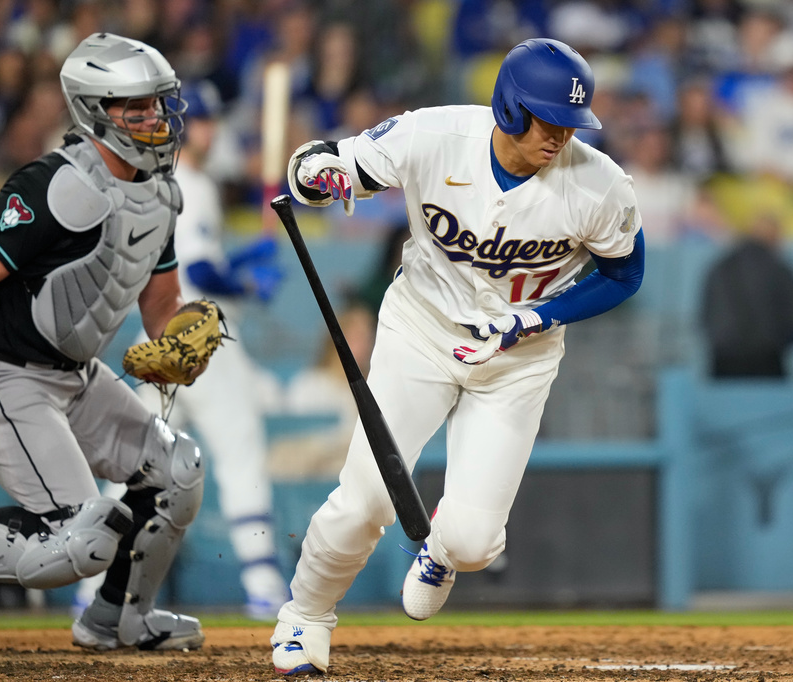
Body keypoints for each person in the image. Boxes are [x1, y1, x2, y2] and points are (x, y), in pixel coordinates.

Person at [270, 38, 645, 675]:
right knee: (365, 501)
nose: (560, 137)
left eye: (570, 124)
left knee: (473, 544)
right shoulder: (434, 135)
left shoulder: (599, 185)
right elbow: (321, 164)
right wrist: (314, 176)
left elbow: (624, 275)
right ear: (509, 108)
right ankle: (305, 617)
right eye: (547, 121)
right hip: (422, 329)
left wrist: (536, 317)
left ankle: (441, 549)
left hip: (518, 358)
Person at [0, 33, 207, 651]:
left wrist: (184, 342)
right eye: (132, 107)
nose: (151, 119)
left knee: (177, 471)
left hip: (74, 375)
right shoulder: (55, 185)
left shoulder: (159, 191)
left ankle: (118, 619)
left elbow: (161, 307)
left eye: (156, 105)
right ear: (93, 110)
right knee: (77, 540)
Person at [72, 79, 291, 621]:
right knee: (240, 449)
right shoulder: (189, 181)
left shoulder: (154, 179)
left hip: (158, 339)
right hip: (197, 342)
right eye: (203, 120)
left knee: (133, 466)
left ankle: (88, 584)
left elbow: (192, 263)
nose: (209, 130)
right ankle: (263, 582)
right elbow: (197, 271)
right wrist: (242, 280)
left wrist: (236, 270)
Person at [700, 213, 793, 378]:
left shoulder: (720, 268)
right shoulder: (781, 270)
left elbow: (705, 316)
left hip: (723, 361)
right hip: (769, 362)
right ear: (775, 237)